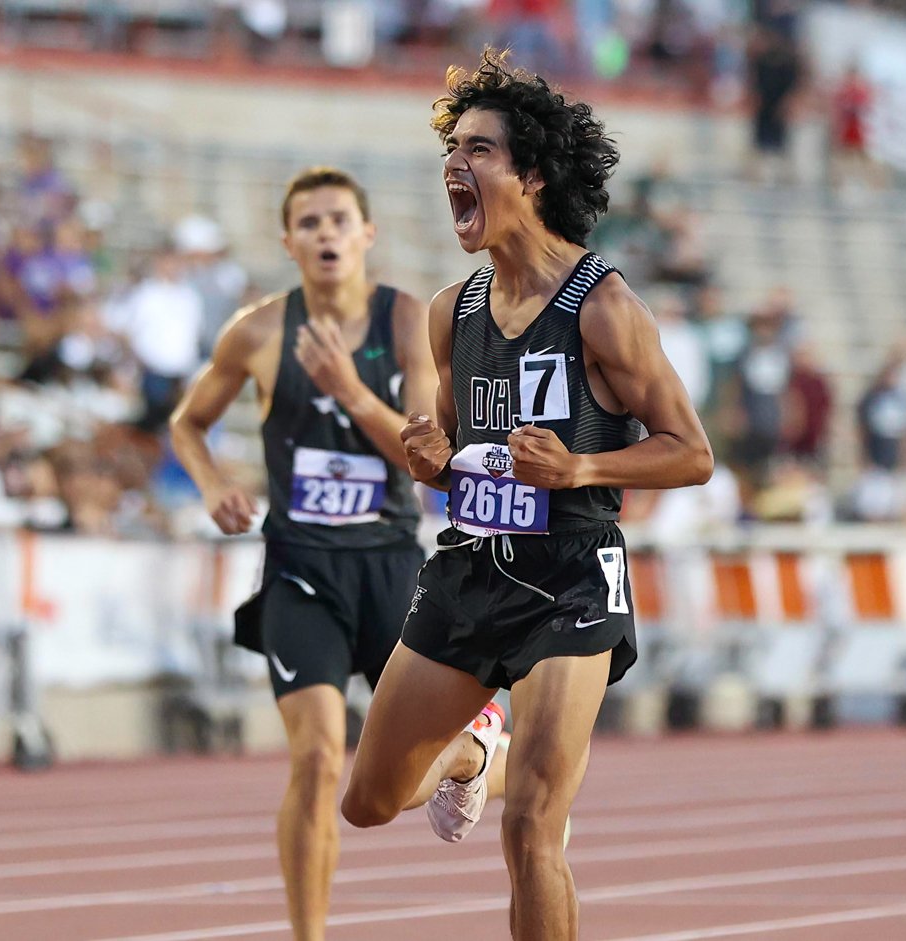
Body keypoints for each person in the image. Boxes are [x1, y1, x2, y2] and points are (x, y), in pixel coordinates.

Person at [341, 50, 713, 940]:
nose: (455, 165)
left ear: (534, 175)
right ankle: (478, 747)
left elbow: (691, 453)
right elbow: (455, 449)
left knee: (532, 828)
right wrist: (430, 461)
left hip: (574, 576)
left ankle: (508, 766)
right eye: (452, 148)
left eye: (480, 149)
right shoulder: (452, 313)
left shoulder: (603, 305)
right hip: (472, 568)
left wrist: (581, 468)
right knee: (368, 798)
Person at [170, 166, 507, 940]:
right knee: (320, 758)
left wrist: (351, 391)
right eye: (309, 223)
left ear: (366, 235)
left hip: (390, 563)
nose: (325, 234)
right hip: (299, 568)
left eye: (338, 221)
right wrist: (214, 481)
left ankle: (469, 754)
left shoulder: (404, 323)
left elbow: (431, 454)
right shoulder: (257, 331)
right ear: (288, 241)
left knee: (393, 773)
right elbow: (188, 423)